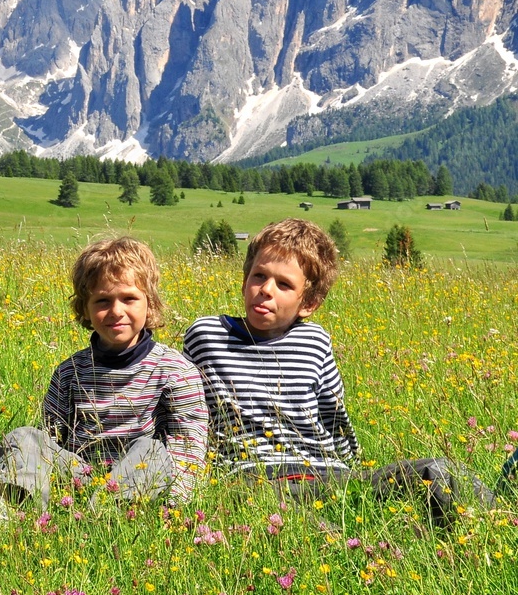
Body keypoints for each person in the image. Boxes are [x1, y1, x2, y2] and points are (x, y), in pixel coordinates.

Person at [182, 217, 495, 524]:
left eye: (284, 285)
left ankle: (498, 523)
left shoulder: (314, 341)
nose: (266, 289)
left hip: (329, 475)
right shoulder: (206, 334)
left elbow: (334, 416)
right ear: (244, 279)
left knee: (436, 471)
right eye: (258, 276)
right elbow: (183, 412)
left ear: (309, 303)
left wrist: (355, 470)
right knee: (285, 517)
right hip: (252, 478)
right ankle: (355, 550)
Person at [0, 236, 208, 516]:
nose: (116, 311)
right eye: (102, 301)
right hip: (81, 475)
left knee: (152, 449)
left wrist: (177, 505)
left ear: (150, 303)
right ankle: (12, 508)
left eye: (129, 299)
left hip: (136, 477)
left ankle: (108, 514)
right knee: (25, 436)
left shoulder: (174, 369)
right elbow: (53, 437)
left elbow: (188, 446)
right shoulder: (70, 371)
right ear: (84, 308)